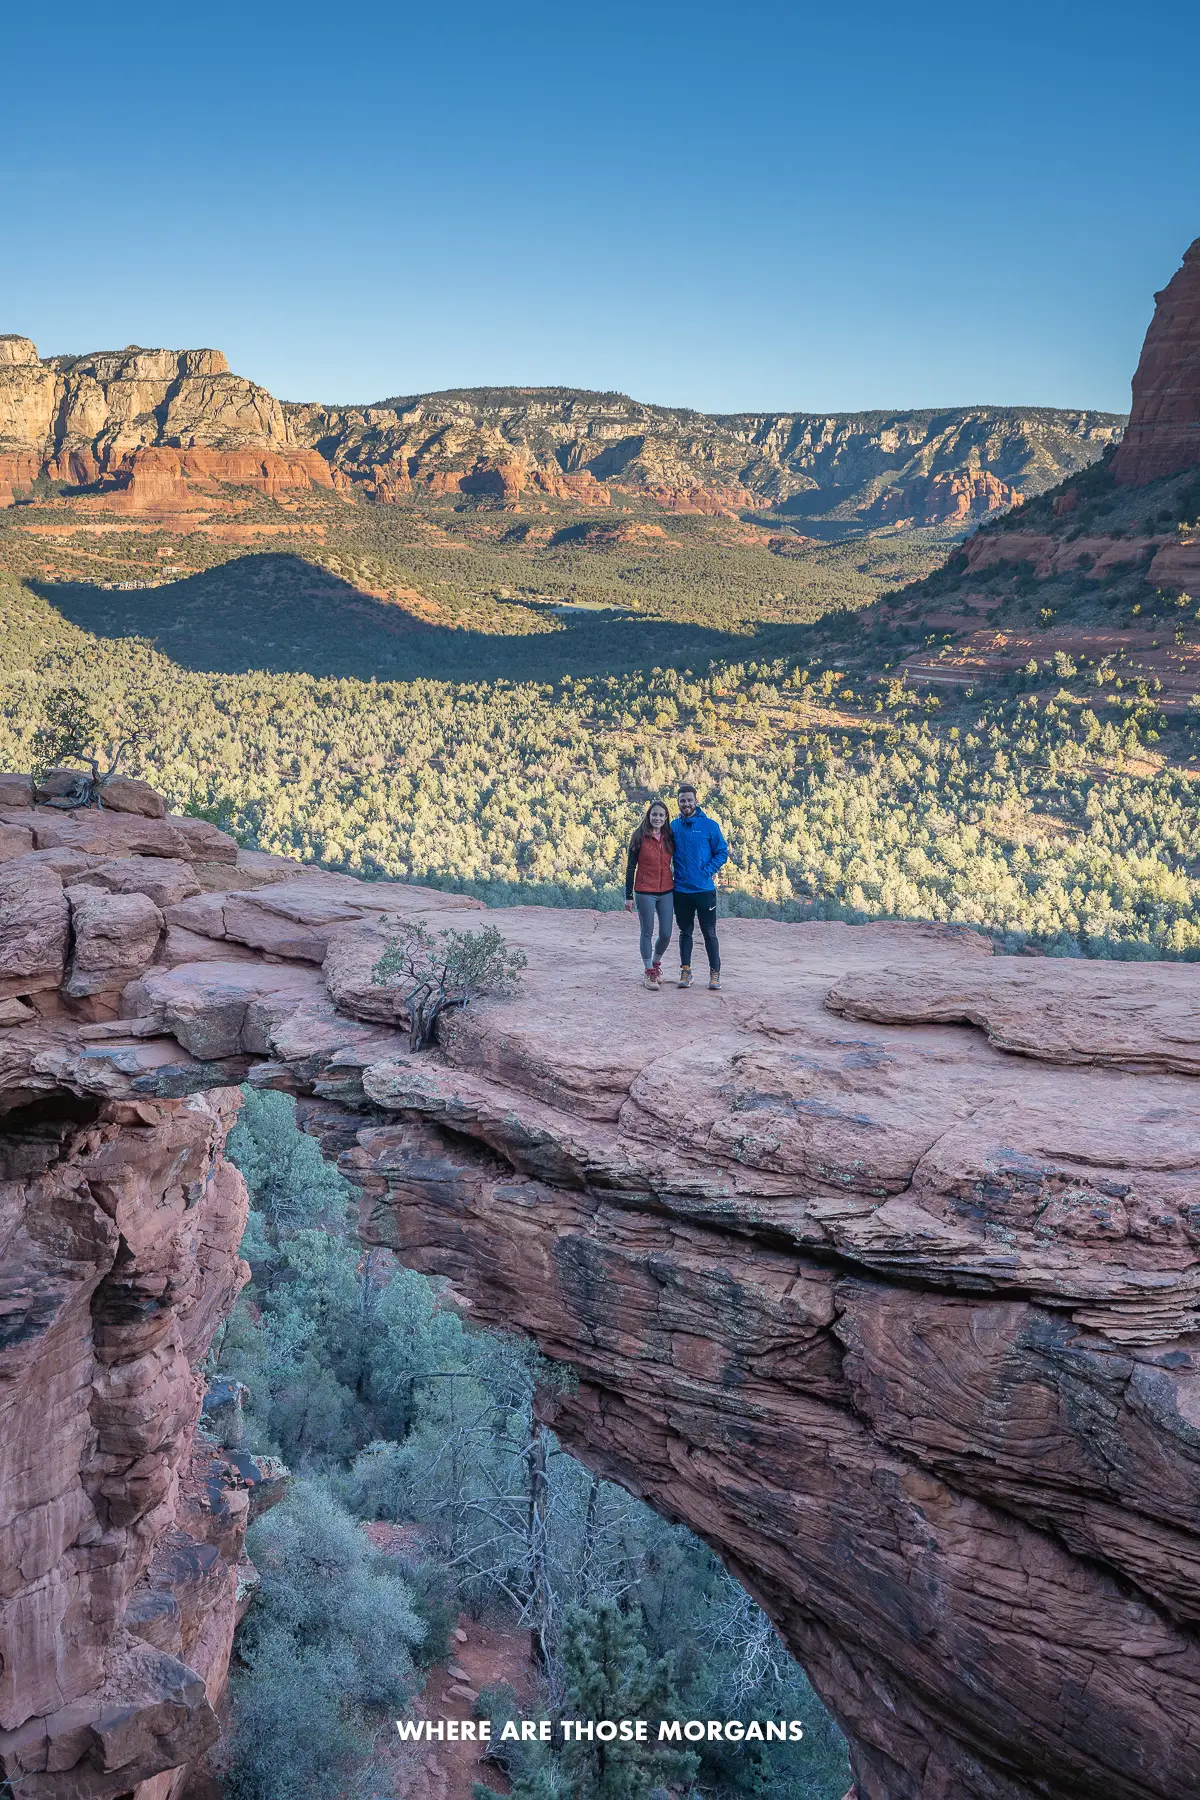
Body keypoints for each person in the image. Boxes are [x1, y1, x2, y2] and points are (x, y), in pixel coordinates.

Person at [671, 783, 727, 990]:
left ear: (696, 801)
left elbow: (722, 852)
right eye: (682, 800)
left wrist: (707, 870)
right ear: (678, 803)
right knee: (685, 932)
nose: (686, 803)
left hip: (704, 890)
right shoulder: (673, 827)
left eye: (689, 800)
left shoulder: (710, 826)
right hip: (681, 891)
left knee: (709, 932)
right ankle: (686, 971)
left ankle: (715, 973)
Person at [624, 799, 675, 991]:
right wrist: (628, 895)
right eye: (654, 814)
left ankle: (656, 963)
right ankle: (648, 972)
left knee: (666, 933)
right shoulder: (638, 837)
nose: (657, 818)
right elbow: (630, 867)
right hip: (644, 891)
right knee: (647, 931)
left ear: (666, 817)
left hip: (667, 890)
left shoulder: (669, 837)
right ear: (649, 816)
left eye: (661, 815)